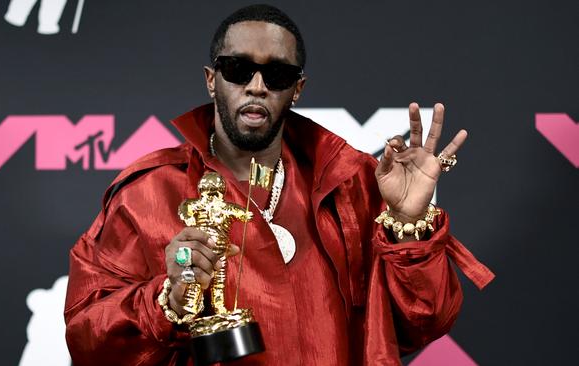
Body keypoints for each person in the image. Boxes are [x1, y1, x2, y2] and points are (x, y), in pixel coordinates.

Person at [64, 4, 494, 365]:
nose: (256, 86)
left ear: (298, 89)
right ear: (212, 80)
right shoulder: (147, 193)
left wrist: (409, 224)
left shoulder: (356, 184)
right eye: (238, 69)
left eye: (278, 76)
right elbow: (88, 340)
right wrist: (165, 302)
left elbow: (424, 321)